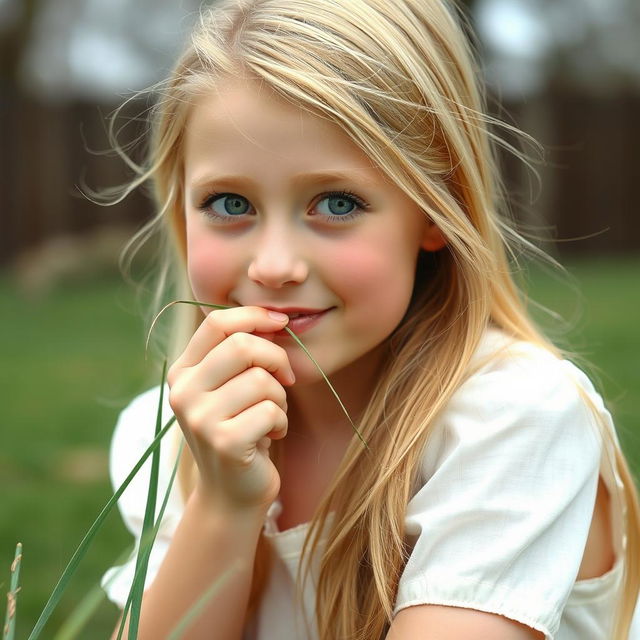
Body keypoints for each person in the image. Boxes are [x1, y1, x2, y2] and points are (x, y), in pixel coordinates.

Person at [100, 0, 640, 638]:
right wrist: (222, 506)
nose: (274, 266)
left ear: (437, 208)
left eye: (336, 202)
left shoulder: (513, 416)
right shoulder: (171, 434)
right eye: (229, 202)